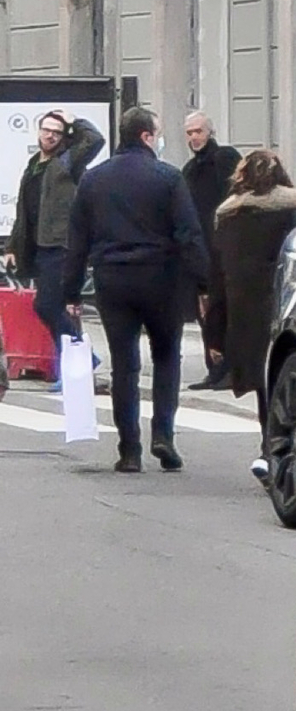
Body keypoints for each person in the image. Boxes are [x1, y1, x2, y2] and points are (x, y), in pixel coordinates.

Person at [61, 106, 210, 472]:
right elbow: (189, 234)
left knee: (124, 364)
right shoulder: (169, 178)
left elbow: (77, 240)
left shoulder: (93, 180)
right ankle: (164, 434)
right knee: (165, 357)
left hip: (113, 280)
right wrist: (205, 284)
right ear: (146, 136)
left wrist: (70, 292)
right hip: (162, 278)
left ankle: (129, 448)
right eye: (156, 134)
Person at [207, 149, 296, 423]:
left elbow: (218, 280)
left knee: (263, 383)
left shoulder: (228, 216)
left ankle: (268, 444)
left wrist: (214, 336)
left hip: (245, 314)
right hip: (290, 306)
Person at [7, 109, 106, 390]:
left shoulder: (68, 161)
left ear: (63, 137)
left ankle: (81, 358)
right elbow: (24, 211)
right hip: (39, 245)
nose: (50, 135)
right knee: (50, 306)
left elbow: (95, 140)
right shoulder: (34, 165)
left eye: (56, 132)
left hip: (61, 244)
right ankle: (77, 364)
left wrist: (76, 121)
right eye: (46, 130)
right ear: (38, 132)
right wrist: (14, 246)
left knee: (47, 305)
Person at [180, 112, 242, 389]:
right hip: (199, 247)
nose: (194, 137)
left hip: (224, 245)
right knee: (206, 309)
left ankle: (229, 368)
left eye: (198, 131)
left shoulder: (225, 158)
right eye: (190, 133)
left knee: (223, 309)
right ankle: (214, 367)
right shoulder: (189, 170)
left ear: (210, 132)